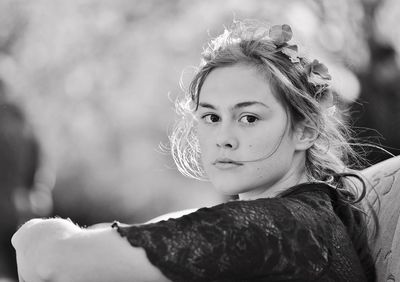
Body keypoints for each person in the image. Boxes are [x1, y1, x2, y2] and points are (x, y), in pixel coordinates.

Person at [11, 20, 376, 282]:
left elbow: (49, 260)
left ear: (306, 130)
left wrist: (32, 234)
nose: (224, 137)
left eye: (248, 118)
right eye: (211, 117)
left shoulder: (279, 226)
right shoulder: (307, 215)